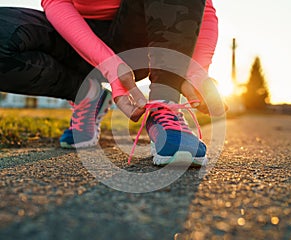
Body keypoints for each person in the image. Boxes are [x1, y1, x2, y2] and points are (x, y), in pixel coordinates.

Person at [0, 0, 225, 165]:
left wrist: (194, 70)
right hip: (73, 35)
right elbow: (56, 2)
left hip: (137, 41)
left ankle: (163, 107)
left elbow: (205, 9)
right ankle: (86, 93)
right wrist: (109, 65)